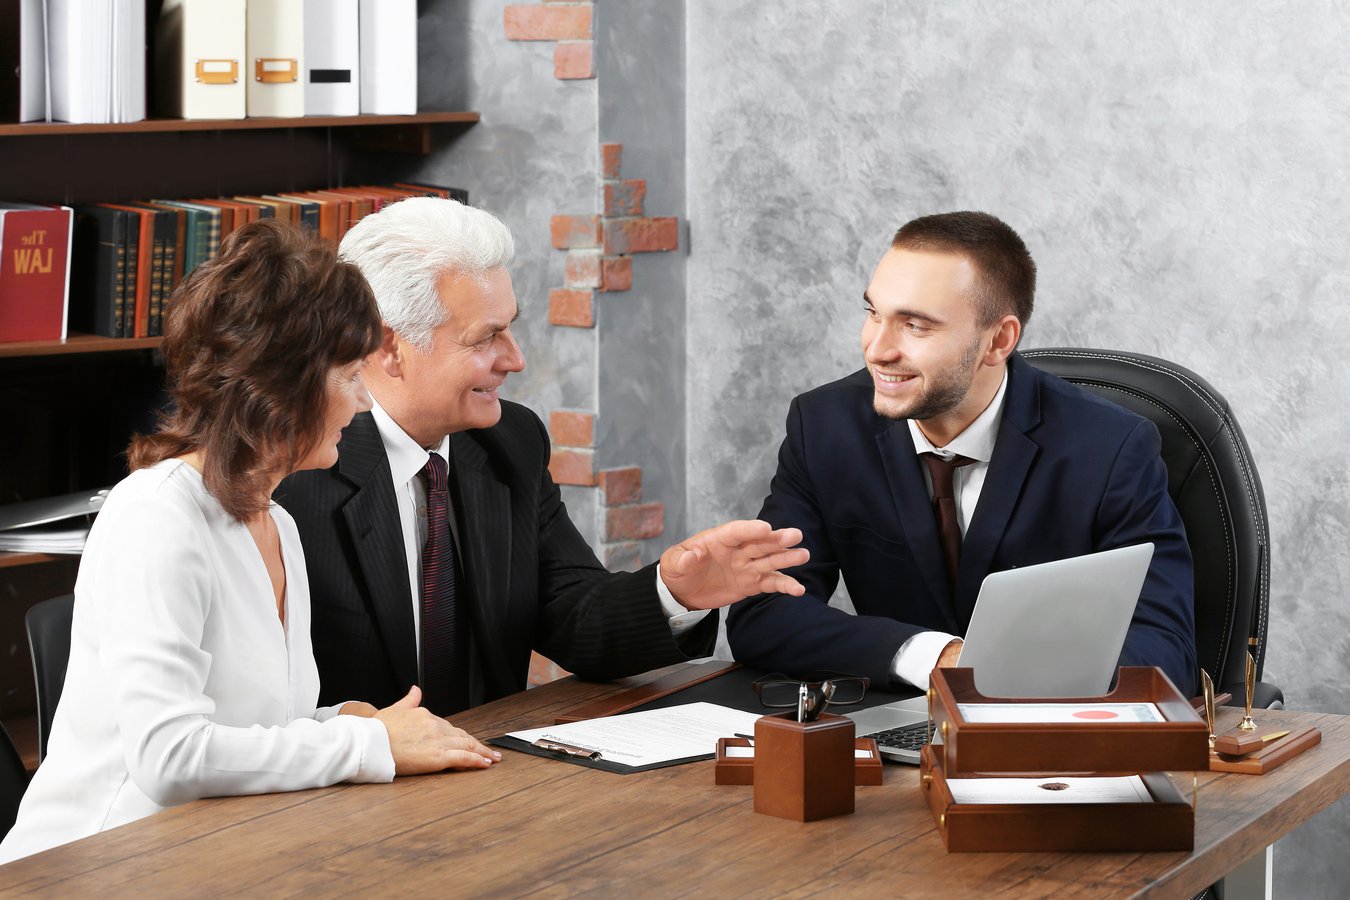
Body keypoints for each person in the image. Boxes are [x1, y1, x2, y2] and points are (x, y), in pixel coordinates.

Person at [0, 220, 498, 864]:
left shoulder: (277, 523)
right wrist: (370, 746)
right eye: (348, 376)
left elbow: (243, 730)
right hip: (91, 866)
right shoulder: (156, 516)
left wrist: (351, 721)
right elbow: (171, 758)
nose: (361, 403)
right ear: (282, 387)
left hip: (209, 856)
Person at [275, 198, 808, 715]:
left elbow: (575, 618)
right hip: (346, 789)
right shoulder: (291, 472)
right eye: (486, 338)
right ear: (390, 348)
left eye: (510, 327)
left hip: (493, 776)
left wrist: (674, 593)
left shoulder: (510, 441)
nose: (516, 358)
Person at [725, 211, 1196, 696]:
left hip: (1046, 742)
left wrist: (1006, 677)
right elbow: (762, 613)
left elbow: (1163, 654)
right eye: (873, 313)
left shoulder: (1111, 448)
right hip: (894, 738)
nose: (877, 349)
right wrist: (931, 656)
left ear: (998, 340)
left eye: (915, 325)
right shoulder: (823, 426)